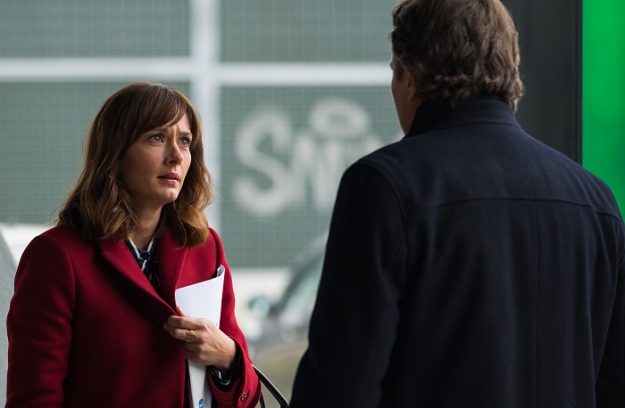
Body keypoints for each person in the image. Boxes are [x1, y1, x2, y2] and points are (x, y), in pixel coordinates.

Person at [290, 0, 625, 407]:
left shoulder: (384, 186)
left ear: (410, 78)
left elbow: (340, 387)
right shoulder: (596, 203)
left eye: (394, 72)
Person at [6, 82, 261, 407]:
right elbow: (34, 398)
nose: (176, 156)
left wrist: (228, 357)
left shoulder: (204, 246)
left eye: (185, 141)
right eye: (157, 138)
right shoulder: (56, 257)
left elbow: (247, 395)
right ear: (116, 150)